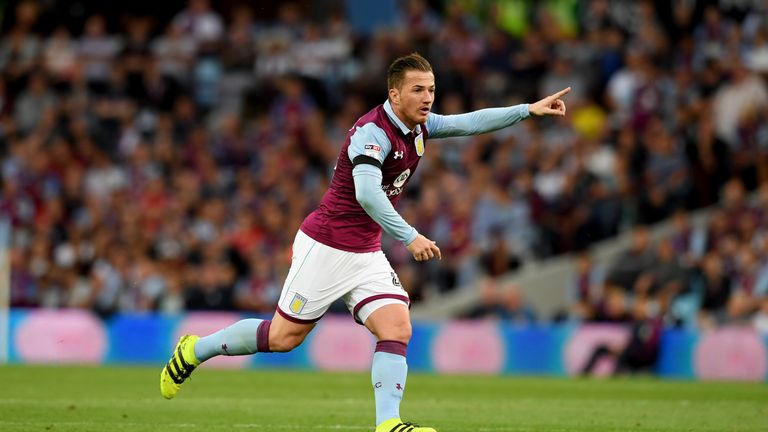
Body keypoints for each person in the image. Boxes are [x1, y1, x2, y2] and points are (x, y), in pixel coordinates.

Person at [159, 53, 570, 432]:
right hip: (327, 245)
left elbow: (468, 122)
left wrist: (527, 111)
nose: (428, 97)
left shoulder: (420, 126)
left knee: (396, 325)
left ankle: (388, 424)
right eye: (418, 90)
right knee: (283, 338)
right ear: (395, 93)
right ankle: (195, 350)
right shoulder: (372, 133)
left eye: (431, 89)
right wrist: (410, 236)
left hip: (365, 251)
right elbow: (367, 194)